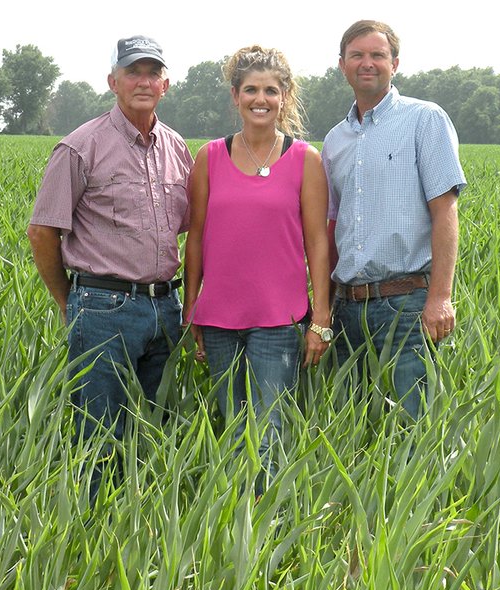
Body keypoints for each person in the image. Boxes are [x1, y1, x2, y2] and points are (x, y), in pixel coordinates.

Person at [27, 35, 192, 503]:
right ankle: (94, 530)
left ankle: (142, 520)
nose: (143, 81)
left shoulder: (177, 148)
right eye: (133, 72)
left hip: (166, 306)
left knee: (155, 426)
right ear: (113, 81)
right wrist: (70, 302)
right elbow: (42, 232)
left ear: (165, 84)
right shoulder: (81, 146)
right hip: (102, 306)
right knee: (99, 431)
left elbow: (192, 229)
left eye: (152, 73)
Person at [182, 45, 331, 495]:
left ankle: (264, 528)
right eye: (250, 89)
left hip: (279, 321)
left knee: (269, 431)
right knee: (231, 426)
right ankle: (230, 520)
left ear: (284, 96)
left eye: (270, 90)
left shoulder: (306, 159)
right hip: (220, 319)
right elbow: (195, 238)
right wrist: (190, 310)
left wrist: (320, 319)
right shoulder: (209, 156)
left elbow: (318, 242)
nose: (259, 98)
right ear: (235, 96)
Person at [322, 20, 467, 420]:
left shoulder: (425, 119)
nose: (367, 63)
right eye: (357, 55)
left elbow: (445, 212)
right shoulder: (334, 140)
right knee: (351, 425)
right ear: (342, 65)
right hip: (347, 307)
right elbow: (333, 226)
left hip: (407, 305)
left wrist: (439, 297)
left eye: (377, 55)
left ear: (395, 64)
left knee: (413, 426)